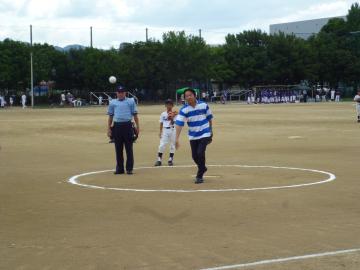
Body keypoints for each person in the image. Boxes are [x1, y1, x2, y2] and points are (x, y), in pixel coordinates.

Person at [175, 88, 213, 184]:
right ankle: (203, 168)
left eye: (190, 95)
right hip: (193, 135)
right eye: (186, 96)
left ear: (195, 95)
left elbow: (209, 118)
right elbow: (179, 124)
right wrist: (176, 138)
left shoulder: (204, 105)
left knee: (200, 153)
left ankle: (199, 176)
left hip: (205, 132)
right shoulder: (184, 109)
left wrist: (210, 131)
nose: (188, 97)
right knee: (194, 156)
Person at [107, 86, 139, 175]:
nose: (120, 94)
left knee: (129, 148)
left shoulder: (131, 101)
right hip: (117, 126)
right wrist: (109, 128)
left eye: (122, 92)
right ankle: (120, 168)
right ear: (116, 93)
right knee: (118, 148)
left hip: (128, 125)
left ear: (125, 93)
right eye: (119, 92)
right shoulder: (112, 103)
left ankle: (129, 168)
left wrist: (137, 127)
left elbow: (135, 115)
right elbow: (110, 117)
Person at [154, 99, 178, 166]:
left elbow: (173, 123)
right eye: (167, 104)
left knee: (172, 145)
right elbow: (161, 123)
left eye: (170, 104)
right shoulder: (163, 114)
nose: (168, 105)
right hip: (165, 130)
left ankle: (170, 159)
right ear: (165, 105)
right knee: (162, 145)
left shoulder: (175, 113)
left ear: (172, 105)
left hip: (173, 130)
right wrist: (160, 131)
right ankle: (159, 160)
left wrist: (172, 117)